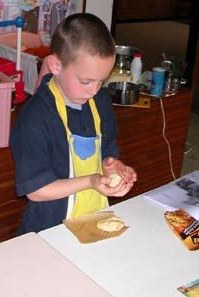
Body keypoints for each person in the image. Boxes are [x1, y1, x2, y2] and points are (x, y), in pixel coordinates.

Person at [10, 13, 137, 234]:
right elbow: (36, 190)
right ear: (55, 66)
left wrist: (113, 168)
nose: (94, 90)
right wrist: (91, 181)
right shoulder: (35, 118)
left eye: (102, 81)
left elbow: (105, 155)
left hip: (94, 219)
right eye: (86, 81)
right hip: (49, 229)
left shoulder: (100, 102)